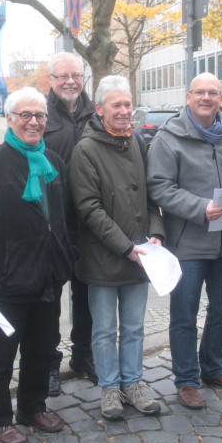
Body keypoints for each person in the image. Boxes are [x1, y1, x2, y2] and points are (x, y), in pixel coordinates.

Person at [0, 88, 77, 443]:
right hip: (6, 280)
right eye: (25, 115)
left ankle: (31, 407)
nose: (33, 122)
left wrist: (66, 256)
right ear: (9, 119)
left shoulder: (53, 160)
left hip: (47, 276)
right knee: (0, 356)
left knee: (42, 348)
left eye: (39, 116)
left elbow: (64, 217)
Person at [146, 72, 222, 410]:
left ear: (221, 99)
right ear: (188, 97)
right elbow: (159, 186)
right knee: (184, 316)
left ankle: (214, 366)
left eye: (213, 93)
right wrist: (199, 208)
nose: (206, 98)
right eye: (199, 92)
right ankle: (187, 379)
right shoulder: (169, 138)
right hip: (187, 246)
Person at [69, 75, 164, 420]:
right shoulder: (86, 150)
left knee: (136, 327)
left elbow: (151, 197)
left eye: (128, 105)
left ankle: (133, 383)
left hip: (140, 257)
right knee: (106, 329)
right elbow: (89, 210)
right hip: (103, 259)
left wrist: (156, 233)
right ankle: (110, 387)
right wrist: (126, 248)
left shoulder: (138, 143)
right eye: (117, 106)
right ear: (99, 109)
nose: (125, 111)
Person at [44, 51, 98, 395]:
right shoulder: (39, 113)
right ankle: (48, 362)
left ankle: (84, 355)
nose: (69, 81)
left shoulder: (97, 113)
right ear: (50, 79)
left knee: (88, 293)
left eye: (75, 75)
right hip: (51, 222)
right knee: (49, 297)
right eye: (62, 76)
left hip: (90, 221)